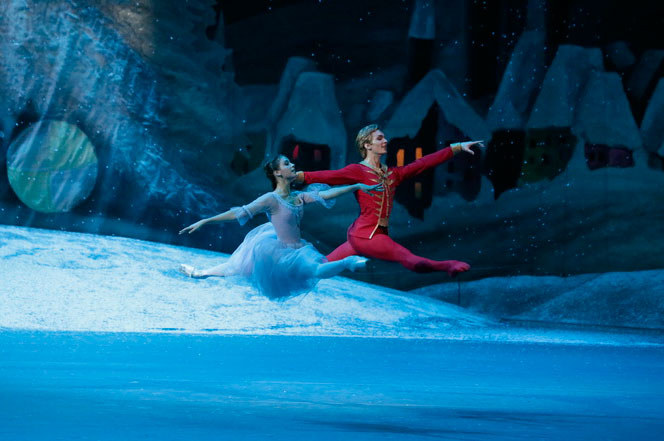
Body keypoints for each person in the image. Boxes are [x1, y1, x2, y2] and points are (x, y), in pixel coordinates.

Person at [178, 154, 383, 299]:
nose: (293, 165)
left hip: (298, 248)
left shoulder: (297, 196)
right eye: (287, 163)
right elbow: (240, 212)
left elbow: (325, 194)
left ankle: (201, 273)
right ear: (277, 172)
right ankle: (348, 262)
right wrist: (206, 220)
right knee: (239, 268)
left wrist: (355, 186)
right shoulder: (271, 199)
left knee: (243, 268)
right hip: (278, 252)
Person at [295, 124, 483, 276]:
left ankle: (292, 273)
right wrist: (301, 176)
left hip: (360, 235)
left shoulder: (392, 174)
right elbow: (330, 176)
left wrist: (456, 148)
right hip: (368, 236)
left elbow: (422, 164)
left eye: (384, 137)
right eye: (379, 138)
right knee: (407, 258)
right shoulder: (358, 171)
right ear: (367, 145)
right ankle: (447, 266)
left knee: (319, 268)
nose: (385, 141)